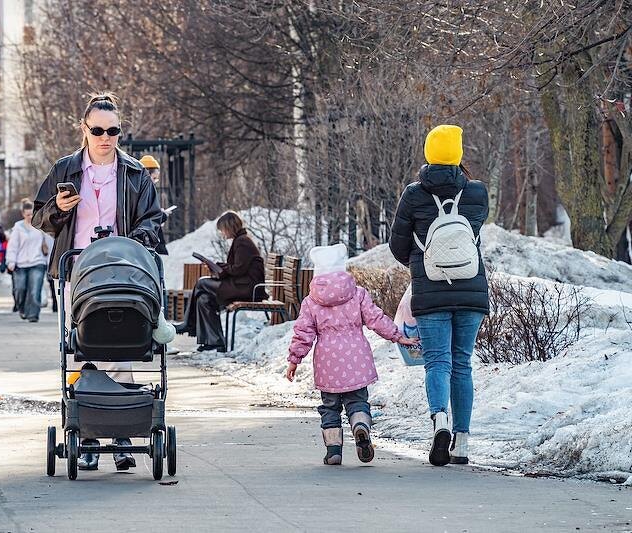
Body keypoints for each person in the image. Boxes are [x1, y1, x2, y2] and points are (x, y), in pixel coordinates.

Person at [32, 92, 162, 472]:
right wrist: (58, 208)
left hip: (123, 270)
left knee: (122, 344)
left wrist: (139, 242)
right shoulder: (65, 170)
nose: (106, 137)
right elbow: (39, 218)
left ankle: (121, 430)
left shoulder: (135, 173)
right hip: (79, 272)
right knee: (85, 347)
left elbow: (152, 219)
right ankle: (87, 431)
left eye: (114, 130)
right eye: (98, 130)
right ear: (84, 129)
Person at [388, 124, 489, 467]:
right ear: (458, 155)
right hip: (472, 289)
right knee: (462, 363)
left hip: (430, 291)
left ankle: (440, 420)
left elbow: (397, 245)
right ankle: (461, 442)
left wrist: (421, 265)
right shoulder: (477, 192)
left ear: (429, 154)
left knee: (437, 362)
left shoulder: (413, 194)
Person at [285, 243, 418, 465]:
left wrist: (294, 360)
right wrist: (397, 335)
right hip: (356, 358)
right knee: (357, 401)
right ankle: (360, 426)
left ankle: (334, 451)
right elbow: (375, 319)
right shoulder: (357, 294)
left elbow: (303, 333)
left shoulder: (311, 301)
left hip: (328, 362)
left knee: (330, 407)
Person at [174, 211, 266, 352]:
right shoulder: (240, 240)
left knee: (201, 283)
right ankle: (214, 342)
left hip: (247, 288)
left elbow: (238, 269)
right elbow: (237, 267)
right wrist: (217, 267)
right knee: (204, 299)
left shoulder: (242, 242)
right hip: (242, 284)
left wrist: (219, 267)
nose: (222, 233)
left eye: (222, 229)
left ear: (229, 227)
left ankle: (188, 324)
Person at [6, 199, 49, 323]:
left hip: (37, 262)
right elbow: (13, 246)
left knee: (35, 290)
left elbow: (49, 243)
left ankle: (33, 314)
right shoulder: (18, 227)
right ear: (23, 214)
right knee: (20, 289)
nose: (30, 217)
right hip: (20, 263)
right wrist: (11, 261)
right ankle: (22, 308)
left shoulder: (40, 225)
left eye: (32, 214)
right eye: (28, 214)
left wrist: (50, 260)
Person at [139, 154, 169, 255]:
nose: (155, 181)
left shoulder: (138, 190)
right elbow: (148, 216)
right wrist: (162, 215)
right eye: (155, 178)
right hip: (148, 242)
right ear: (148, 174)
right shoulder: (146, 191)